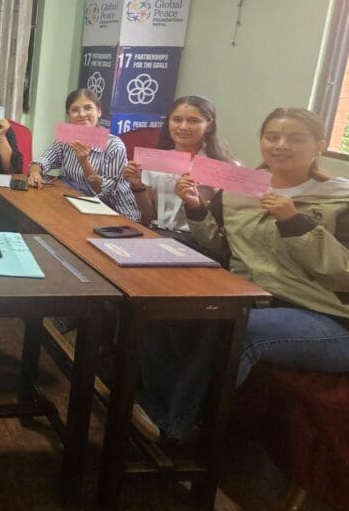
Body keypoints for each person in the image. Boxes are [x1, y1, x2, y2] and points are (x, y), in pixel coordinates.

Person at [138, 108, 349, 443]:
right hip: (251, 296)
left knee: (239, 327)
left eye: (295, 138)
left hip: (325, 318)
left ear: (319, 146)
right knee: (158, 307)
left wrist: (294, 222)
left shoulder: (341, 197)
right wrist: (195, 206)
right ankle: (151, 405)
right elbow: (221, 248)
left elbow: (344, 276)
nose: (281, 145)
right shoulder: (241, 189)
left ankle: (174, 423)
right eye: (272, 136)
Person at [122, 96, 235, 241]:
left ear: (209, 126)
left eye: (193, 121)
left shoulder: (222, 166)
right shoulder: (157, 160)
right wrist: (137, 185)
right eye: (176, 119)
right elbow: (150, 215)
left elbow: (227, 222)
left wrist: (195, 202)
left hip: (198, 242)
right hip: (156, 234)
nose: (183, 127)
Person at [28, 88, 139, 221]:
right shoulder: (67, 137)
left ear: (98, 111)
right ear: (68, 114)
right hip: (77, 204)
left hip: (114, 212)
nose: (82, 114)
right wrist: (35, 172)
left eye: (88, 108)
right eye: (75, 110)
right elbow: (43, 160)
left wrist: (84, 162)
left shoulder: (114, 145)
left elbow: (102, 192)